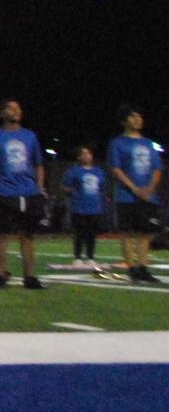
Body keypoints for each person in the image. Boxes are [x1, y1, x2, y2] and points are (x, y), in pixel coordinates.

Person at [0, 98, 46, 290]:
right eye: (10, 108)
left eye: (18, 108)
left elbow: (38, 164)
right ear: (2, 113)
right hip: (5, 192)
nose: (15, 111)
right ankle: (1, 277)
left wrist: (39, 186)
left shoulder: (30, 136)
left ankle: (30, 278)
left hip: (29, 192)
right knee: (2, 236)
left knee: (28, 236)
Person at [108, 105, 162, 283]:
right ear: (125, 120)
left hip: (147, 195)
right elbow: (116, 169)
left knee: (145, 232)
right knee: (127, 232)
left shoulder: (147, 143)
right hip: (126, 195)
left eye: (140, 116)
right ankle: (131, 267)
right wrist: (134, 188)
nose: (138, 120)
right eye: (133, 116)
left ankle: (143, 267)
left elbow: (157, 168)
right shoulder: (117, 142)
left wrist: (150, 188)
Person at [61, 146, 108, 269]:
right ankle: (77, 257)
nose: (87, 156)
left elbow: (102, 187)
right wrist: (73, 193)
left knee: (92, 234)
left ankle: (90, 257)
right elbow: (66, 186)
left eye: (89, 154)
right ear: (79, 157)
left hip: (95, 207)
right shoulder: (74, 171)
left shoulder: (99, 171)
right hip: (79, 207)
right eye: (84, 154)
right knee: (80, 233)